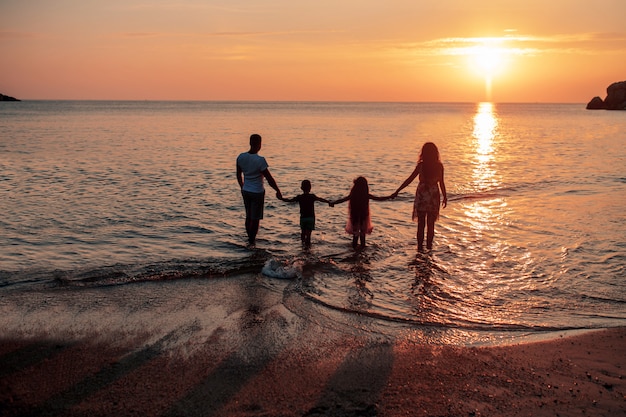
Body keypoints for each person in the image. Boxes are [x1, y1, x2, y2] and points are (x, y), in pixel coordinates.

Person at [392, 142, 447, 252]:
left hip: (422, 197)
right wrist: (445, 196)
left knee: (421, 224)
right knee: (431, 225)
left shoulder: (421, 166)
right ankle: (429, 248)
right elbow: (441, 183)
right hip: (433, 197)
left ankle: (420, 248)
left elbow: (409, 179)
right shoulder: (439, 166)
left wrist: (398, 190)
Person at [236, 133, 282, 246]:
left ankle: (249, 238)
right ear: (259, 144)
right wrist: (277, 190)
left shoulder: (241, 157)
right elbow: (269, 178)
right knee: (255, 219)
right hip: (257, 192)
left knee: (248, 216)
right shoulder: (260, 160)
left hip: (246, 190)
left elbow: (238, 174)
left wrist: (242, 186)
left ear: (250, 143)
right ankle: (252, 241)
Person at [332, 176, 393, 250]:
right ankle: (362, 250)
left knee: (355, 235)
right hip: (364, 216)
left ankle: (354, 250)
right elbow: (379, 199)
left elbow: (343, 199)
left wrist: (333, 203)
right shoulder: (366, 195)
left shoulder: (353, 195)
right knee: (362, 235)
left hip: (355, 216)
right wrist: (390, 197)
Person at [280, 180, 332, 247]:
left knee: (303, 233)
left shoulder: (299, 197)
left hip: (303, 218)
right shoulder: (312, 196)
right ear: (310, 188)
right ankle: (308, 249)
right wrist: (329, 202)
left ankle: (303, 247)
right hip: (311, 218)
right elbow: (321, 199)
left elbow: (289, 200)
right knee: (308, 235)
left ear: (301, 188)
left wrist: (281, 198)